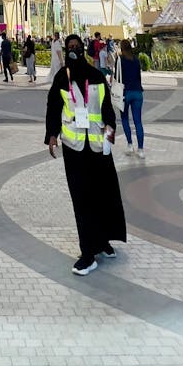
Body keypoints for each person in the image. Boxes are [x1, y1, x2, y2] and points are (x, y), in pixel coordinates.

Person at [46, 31, 126, 275]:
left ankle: (103, 241)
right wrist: (51, 135)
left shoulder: (96, 75)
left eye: (77, 46)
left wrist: (110, 131)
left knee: (104, 193)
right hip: (75, 149)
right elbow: (53, 107)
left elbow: (106, 108)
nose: (73, 50)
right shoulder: (62, 78)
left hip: (98, 146)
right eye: (69, 46)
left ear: (83, 49)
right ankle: (88, 252)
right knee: (82, 199)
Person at [117, 40, 146, 158]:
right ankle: (141, 149)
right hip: (137, 92)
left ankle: (130, 145)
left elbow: (117, 77)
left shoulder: (120, 60)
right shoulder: (136, 60)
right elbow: (139, 76)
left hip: (124, 93)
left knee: (124, 119)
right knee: (138, 121)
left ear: (122, 49)